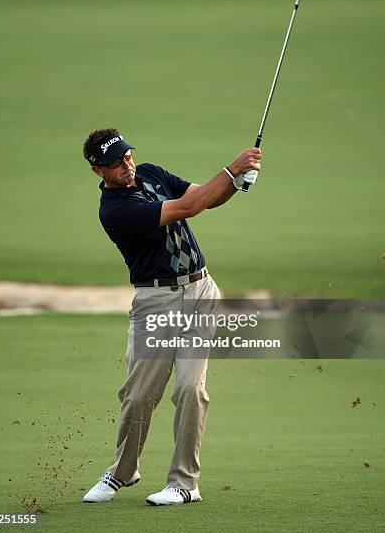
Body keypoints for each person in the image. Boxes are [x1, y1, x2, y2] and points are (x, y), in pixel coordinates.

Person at [81, 127, 261, 506]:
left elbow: (202, 198)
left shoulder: (150, 173)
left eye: (127, 156)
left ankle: (184, 483)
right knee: (140, 395)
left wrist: (237, 182)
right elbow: (186, 209)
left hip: (200, 292)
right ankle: (123, 470)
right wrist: (231, 169)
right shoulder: (115, 211)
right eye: (115, 164)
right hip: (155, 301)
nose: (126, 166)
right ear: (99, 171)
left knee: (190, 388)